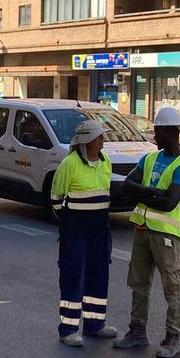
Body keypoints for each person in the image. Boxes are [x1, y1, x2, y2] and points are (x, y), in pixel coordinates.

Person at [113, 107, 180, 358]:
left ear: (170, 132)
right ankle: (137, 332)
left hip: (167, 236)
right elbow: (127, 186)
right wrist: (151, 192)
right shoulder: (149, 158)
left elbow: (169, 202)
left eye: (157, 131)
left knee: (173, 287)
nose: (153, 136)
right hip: (142, 229)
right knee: (138, 284)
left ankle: (172, 337)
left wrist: (142, 192)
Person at [50, 119, 117, 346]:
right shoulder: (70, 164)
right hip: (76, 233)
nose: (102, 141)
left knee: (99, 277)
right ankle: (68, 330)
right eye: (99, 137)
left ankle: (95, 325)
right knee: (73, 278)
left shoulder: (106, 162)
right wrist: (71, 222)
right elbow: (56, 199)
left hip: (99, 231)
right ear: (86, 140)